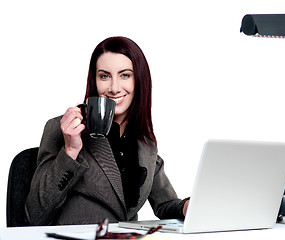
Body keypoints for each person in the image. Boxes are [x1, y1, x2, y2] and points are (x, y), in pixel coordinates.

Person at [25, 36, 189, 225]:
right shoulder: (61, 128)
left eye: (125, 75)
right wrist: (70, 151)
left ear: (139, 81)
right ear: (94, 81)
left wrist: (186, 206)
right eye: (104, 76)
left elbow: (165, 203)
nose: (114, 88)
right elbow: (33, 216)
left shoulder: (145, 142)